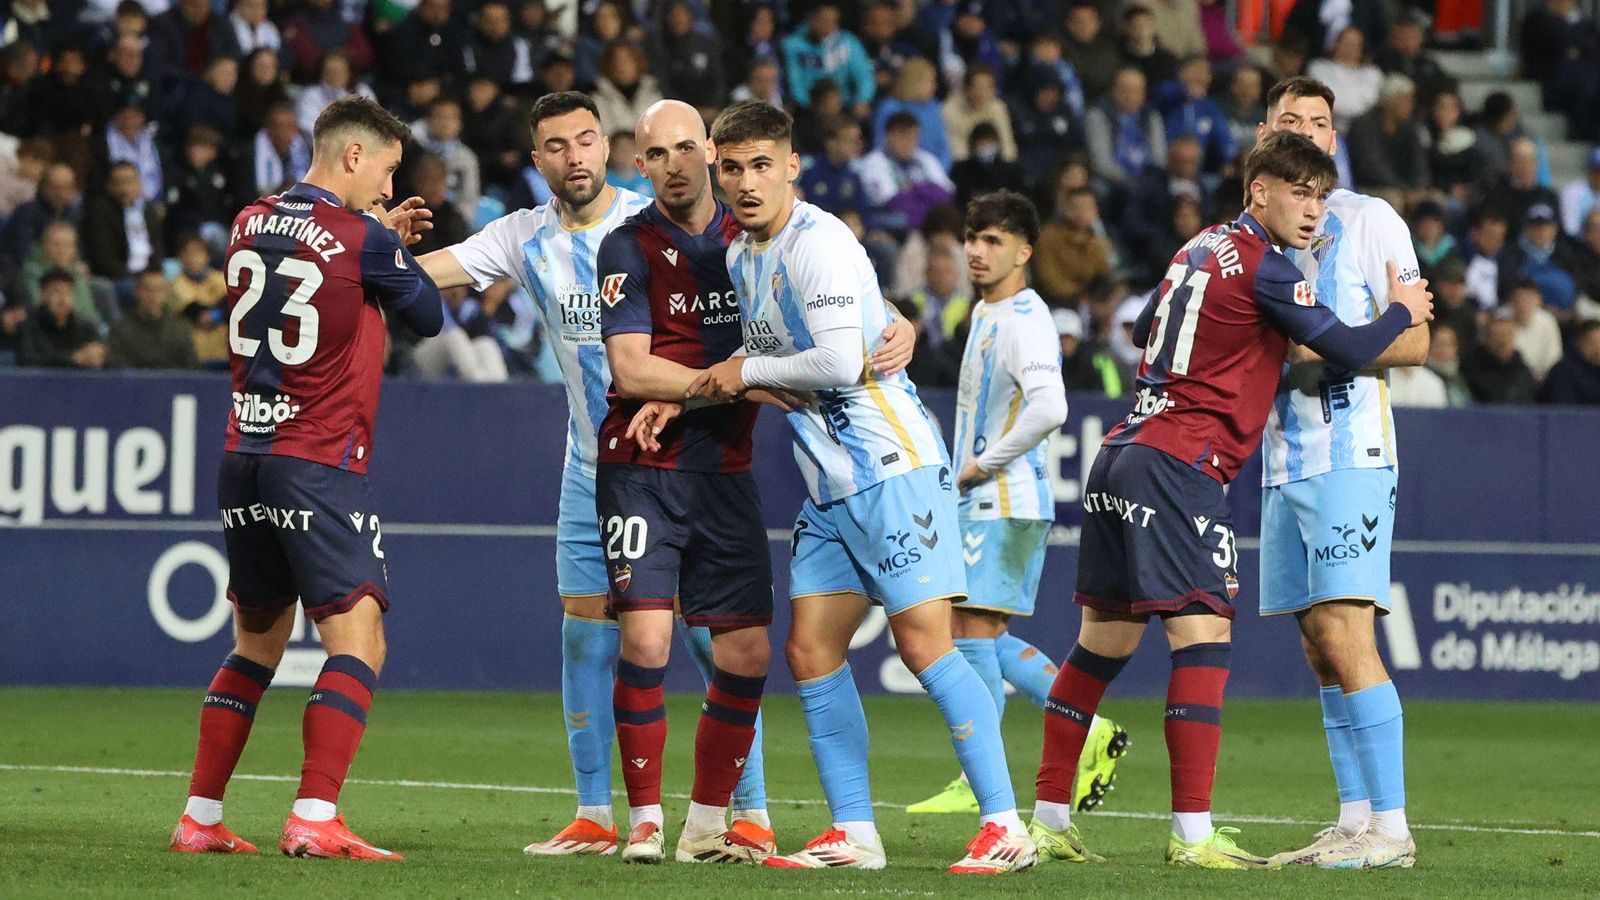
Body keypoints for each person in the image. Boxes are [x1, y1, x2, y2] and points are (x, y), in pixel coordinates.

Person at [412, 92, 919, 855]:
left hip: (699, 457)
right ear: (538, 160)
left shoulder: (688, 223)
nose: (574, 156)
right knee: (591, 635)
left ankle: (740, 807)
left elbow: (821, 273)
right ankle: (597, 814)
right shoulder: (525, 236)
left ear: (617, 152)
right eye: (556, 146)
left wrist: (896, 321)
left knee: (713, 642)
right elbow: (425, 277)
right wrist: (361, 251)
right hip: (595, 460)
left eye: (586, 140)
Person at [1028, 131, 1433, 869]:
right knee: (1203, 640)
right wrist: (1404, 308)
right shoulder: (1269, 269)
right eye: (1296, 191)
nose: (1311, 210)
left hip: (1121, 451)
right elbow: (1344, 346)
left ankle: (1049, 818)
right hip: (1181, 465)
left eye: (1318, 194)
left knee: (1102, 642)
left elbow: (1146, 323)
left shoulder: (1196, 247)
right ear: (1259, 192)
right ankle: (1193, 837)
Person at [692, 100, 1035, 874]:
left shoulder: (821, 243)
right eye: (733, 168)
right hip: (832, 482)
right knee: (811, 649)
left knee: (924, 644)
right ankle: (856, 833)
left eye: (760, 166)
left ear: (791, 167)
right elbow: (813, 356)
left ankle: (1006, 827)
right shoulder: (746, 254)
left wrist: (744, 372)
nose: (746, 183)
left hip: (892, 468)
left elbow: (842, 363)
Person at [168, 96, 443, 860]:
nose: (388, 190)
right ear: (353, 157)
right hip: (319, 460)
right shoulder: (364, 236)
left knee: (257, 639)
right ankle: (316, 813)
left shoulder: (249, 220)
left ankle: (200, 815)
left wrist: (377, 249)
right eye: (387, 171)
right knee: (360, 636)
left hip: (242, 456)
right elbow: (428, 317)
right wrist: (389, 248)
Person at [592, 100, 786, 865]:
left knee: (746, 655)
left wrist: (894, 319)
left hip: (724, 470)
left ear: (709, 150)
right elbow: (631, 369)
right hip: (640, 468)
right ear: (640, 166)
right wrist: (724, 381)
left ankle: (706, 826)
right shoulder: (626, 245)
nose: (674, 163)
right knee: (646, 634)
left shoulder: (757, 235)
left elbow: (822, 328)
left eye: (685, 148)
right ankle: (642, 819)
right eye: (656, 154)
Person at [906, 191, 1131, 822]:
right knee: (974, 631)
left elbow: (1051, 407)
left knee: (972, 631)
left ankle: (988, 775)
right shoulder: (983, 312)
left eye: (993, 241)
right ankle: (1079, 734)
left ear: (1025, 252)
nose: (977, 252)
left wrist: (984, 463)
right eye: (972, 239)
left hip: (1002, 497)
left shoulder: (1027, 319)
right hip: (984, 499)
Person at [1255, 76, 1429, 870]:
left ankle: (1391, 829)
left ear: (1336, 136)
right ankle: (1354, 818)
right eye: (1290, 120)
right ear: (1263, 135)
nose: (1307, 132)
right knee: (1319, 644)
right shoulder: (1256, 236)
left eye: (1319, 122)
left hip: (1350, 451)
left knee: (1349, 634)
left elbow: (1419, 341)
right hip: (1280, 457)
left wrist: (1319, 342)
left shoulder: (1369, 218)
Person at [16, 268, 107, 369]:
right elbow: (27, 360)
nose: (63, 298)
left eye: (67, 292)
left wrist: (97, 354)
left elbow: (102, 353)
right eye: (56, 292)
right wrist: (71, 358)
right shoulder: (29, 324)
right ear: (43, 296)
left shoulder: (85, 326)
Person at [106, 269, 197, 369]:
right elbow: (118, 369)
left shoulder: (181, 328)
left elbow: (192, 369)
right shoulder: (120, 329)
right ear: (136, 291)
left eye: (159, 290)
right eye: (147, 289)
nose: (153, 296)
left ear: (167, 293)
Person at [1539, 320, 1600, 404]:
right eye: (1592, 343)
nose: (1597, 349)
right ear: (1580, 343)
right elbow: (1565, 411)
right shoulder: (1563, 372)